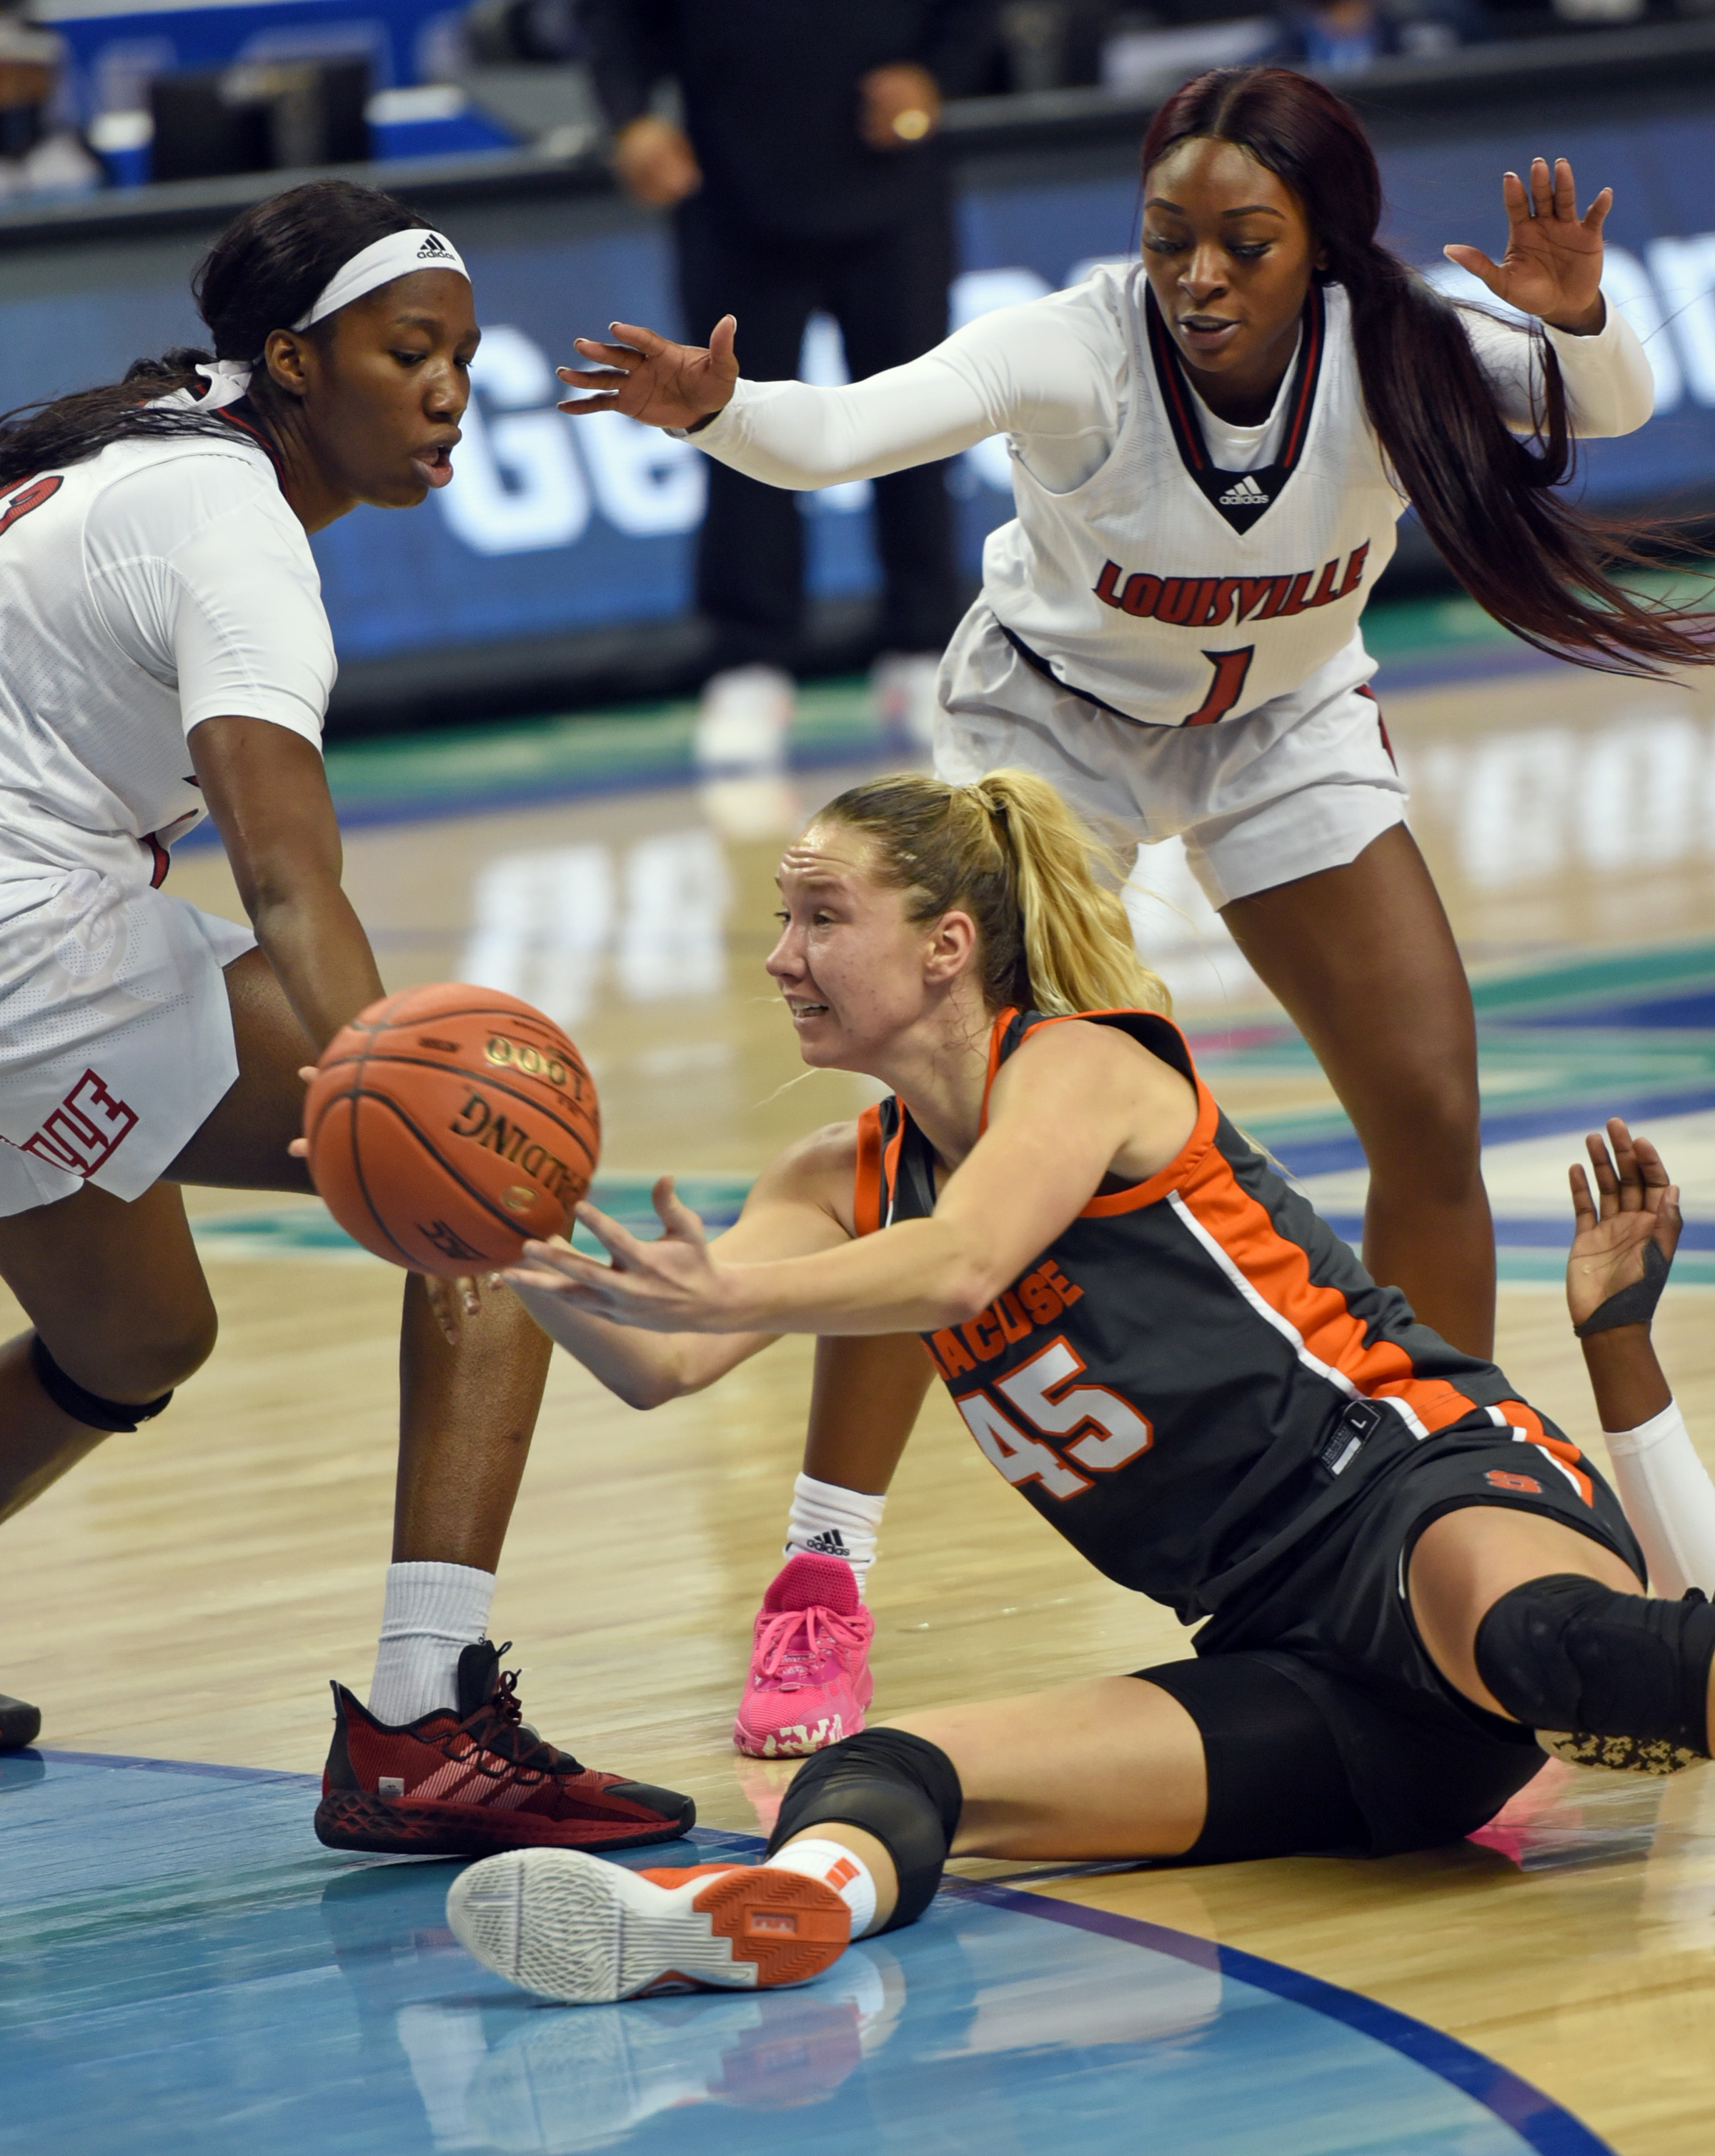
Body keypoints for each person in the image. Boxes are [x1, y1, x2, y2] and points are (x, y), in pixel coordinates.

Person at [434, 768, 1715, 2003]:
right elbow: (662, 1362)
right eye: (782, 918)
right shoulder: (835, 1177)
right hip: (1288, 1655)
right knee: (891, 1767)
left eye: (822, 917)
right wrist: (487, 1224)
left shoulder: (1080, 1064)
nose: (781, 957)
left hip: (1409, 1485)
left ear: (946, 945)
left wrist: (730, 1290)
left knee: (1544, 1644)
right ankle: (771, 1909)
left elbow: (963, 1260)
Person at [554, 64, 1711, 1368]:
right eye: (1169, 240)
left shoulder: (1396, 346)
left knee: (1430, 1116)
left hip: (1283, 726)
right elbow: (840, 434)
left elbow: (1607, 401)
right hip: (1051, 737)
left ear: (1322, 245)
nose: (1198, 276)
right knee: (961, 1144)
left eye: (1244, 244)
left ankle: (1439, 1447)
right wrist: (720, 408)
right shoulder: (1075, 349)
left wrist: (1578, 319)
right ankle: (832, 1495)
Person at [0, 177, 693, 1860]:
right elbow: (289, 882)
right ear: (296, 360)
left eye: (464, 358)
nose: (449, 391)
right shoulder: (227, 522)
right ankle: (419, 1723)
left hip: (31, 932)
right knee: (491, 1168)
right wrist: (410, 1097)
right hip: (25, 941)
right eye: (409, 353)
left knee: (133, 1341)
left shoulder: (145, 455)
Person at [577, 0, 996, 757]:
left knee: (919, 418)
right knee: (731, 423)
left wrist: (936, 75)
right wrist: (630, 118)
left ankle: (921, 644)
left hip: (893, 184)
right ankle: (750, 659)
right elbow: (611, 18)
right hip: (731, 192)